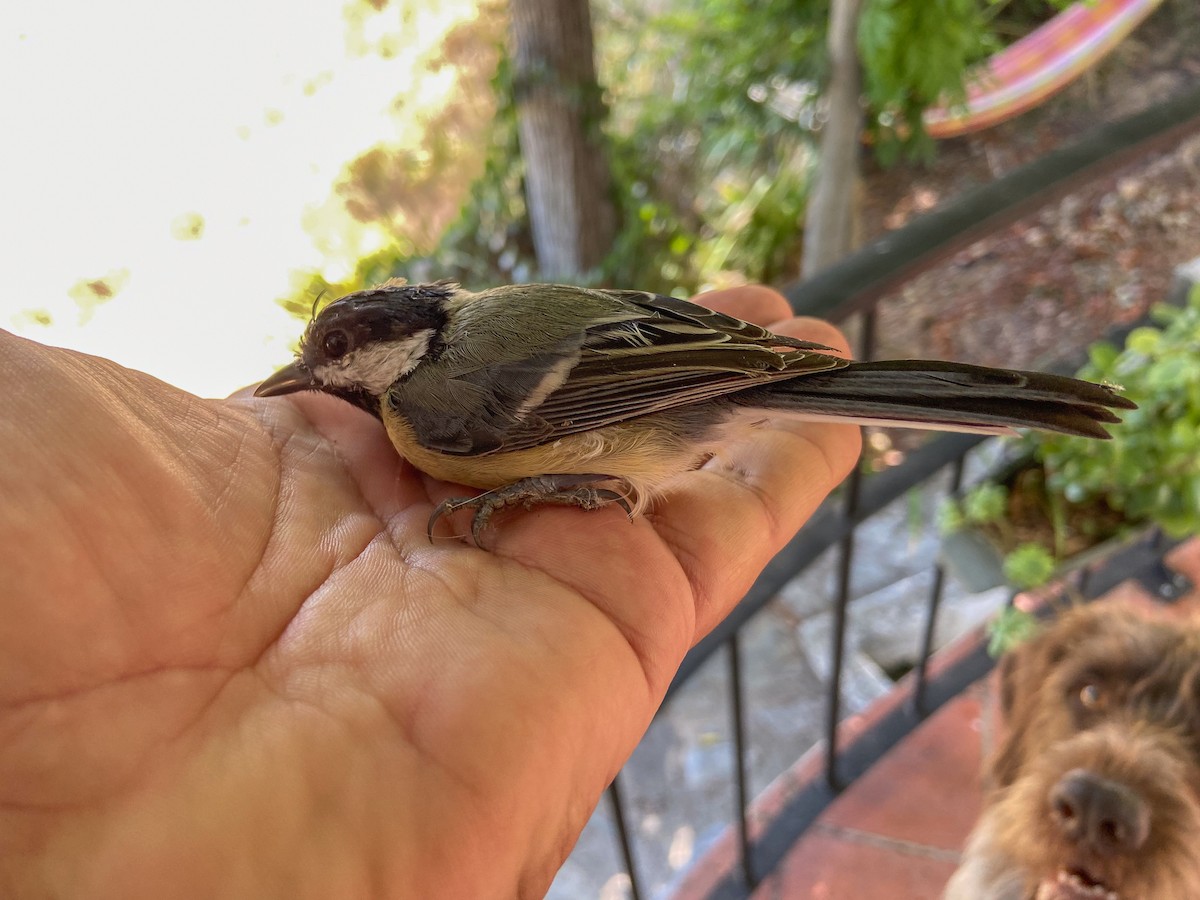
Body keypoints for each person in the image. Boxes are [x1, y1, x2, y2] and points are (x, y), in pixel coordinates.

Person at [0, 286, 858, 898]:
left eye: (333, 356)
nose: (315, 373)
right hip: (695, 355)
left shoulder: (425, 409)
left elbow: (608, 390)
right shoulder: (490, 319)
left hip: (656, 411)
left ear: (402, 343)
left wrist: (527, 487)